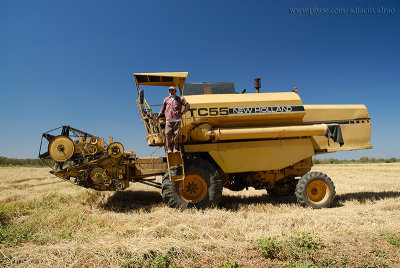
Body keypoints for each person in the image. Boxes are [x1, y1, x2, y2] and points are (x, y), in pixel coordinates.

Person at [156, 86, 190, 153]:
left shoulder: (180, 99)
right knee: (168, 134)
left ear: (175, 91)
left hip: (177, 119)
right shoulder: (166, 99)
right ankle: (168, 148)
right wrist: (158, 116)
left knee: (176, 134)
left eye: (173, 90)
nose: (171, 92)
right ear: (169, 91)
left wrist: (183, 112)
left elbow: (187, 105)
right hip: (168, 119)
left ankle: (175, 148)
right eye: (170, 90)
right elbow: (163, 109)